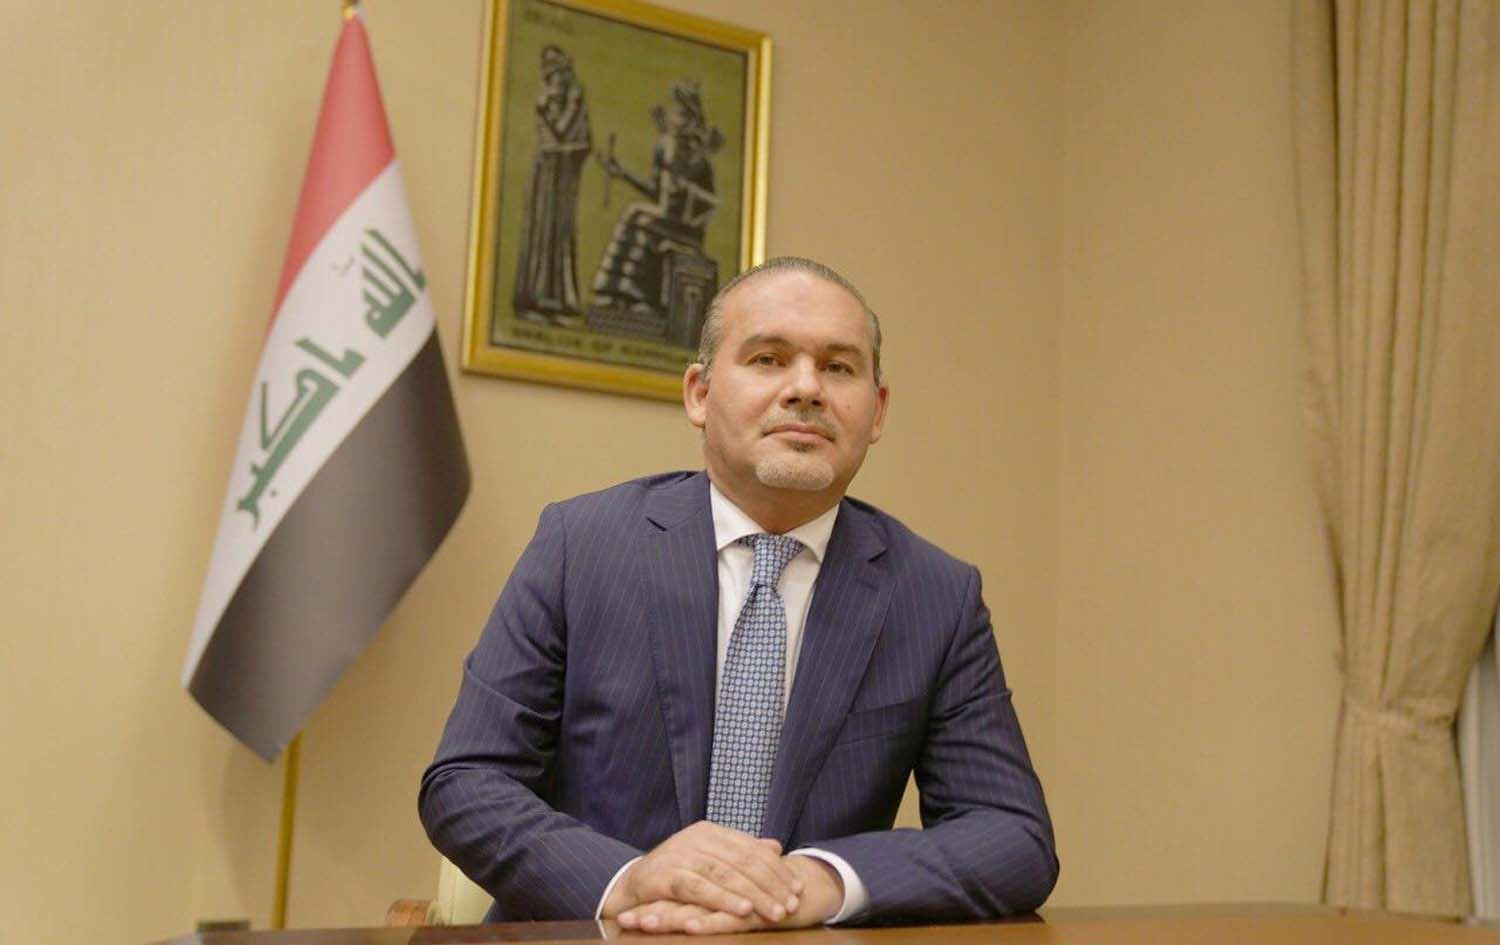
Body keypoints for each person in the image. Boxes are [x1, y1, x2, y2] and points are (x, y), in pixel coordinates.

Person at [419, 256, 1058, 932]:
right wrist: (629, 878)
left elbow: (1013, 837)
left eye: (838, 367)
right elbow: (466, 781)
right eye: (768, 359)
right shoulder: (581, 545)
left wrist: (822, 880)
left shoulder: (935, 595)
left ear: (876, 411)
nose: (806, 388)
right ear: (699, 393)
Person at [512, 45, 590, 325]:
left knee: (560, 235)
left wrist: (569, 108)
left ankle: (560, 300)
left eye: (562, 73)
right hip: (546, 172)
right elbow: (556, 132)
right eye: (555, 73)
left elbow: (578, 137)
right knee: (542, 234)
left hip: (563, 174)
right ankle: (535, 298)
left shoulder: (571, 99)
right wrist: (561, 107)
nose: (560, 79)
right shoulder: (548, 98)